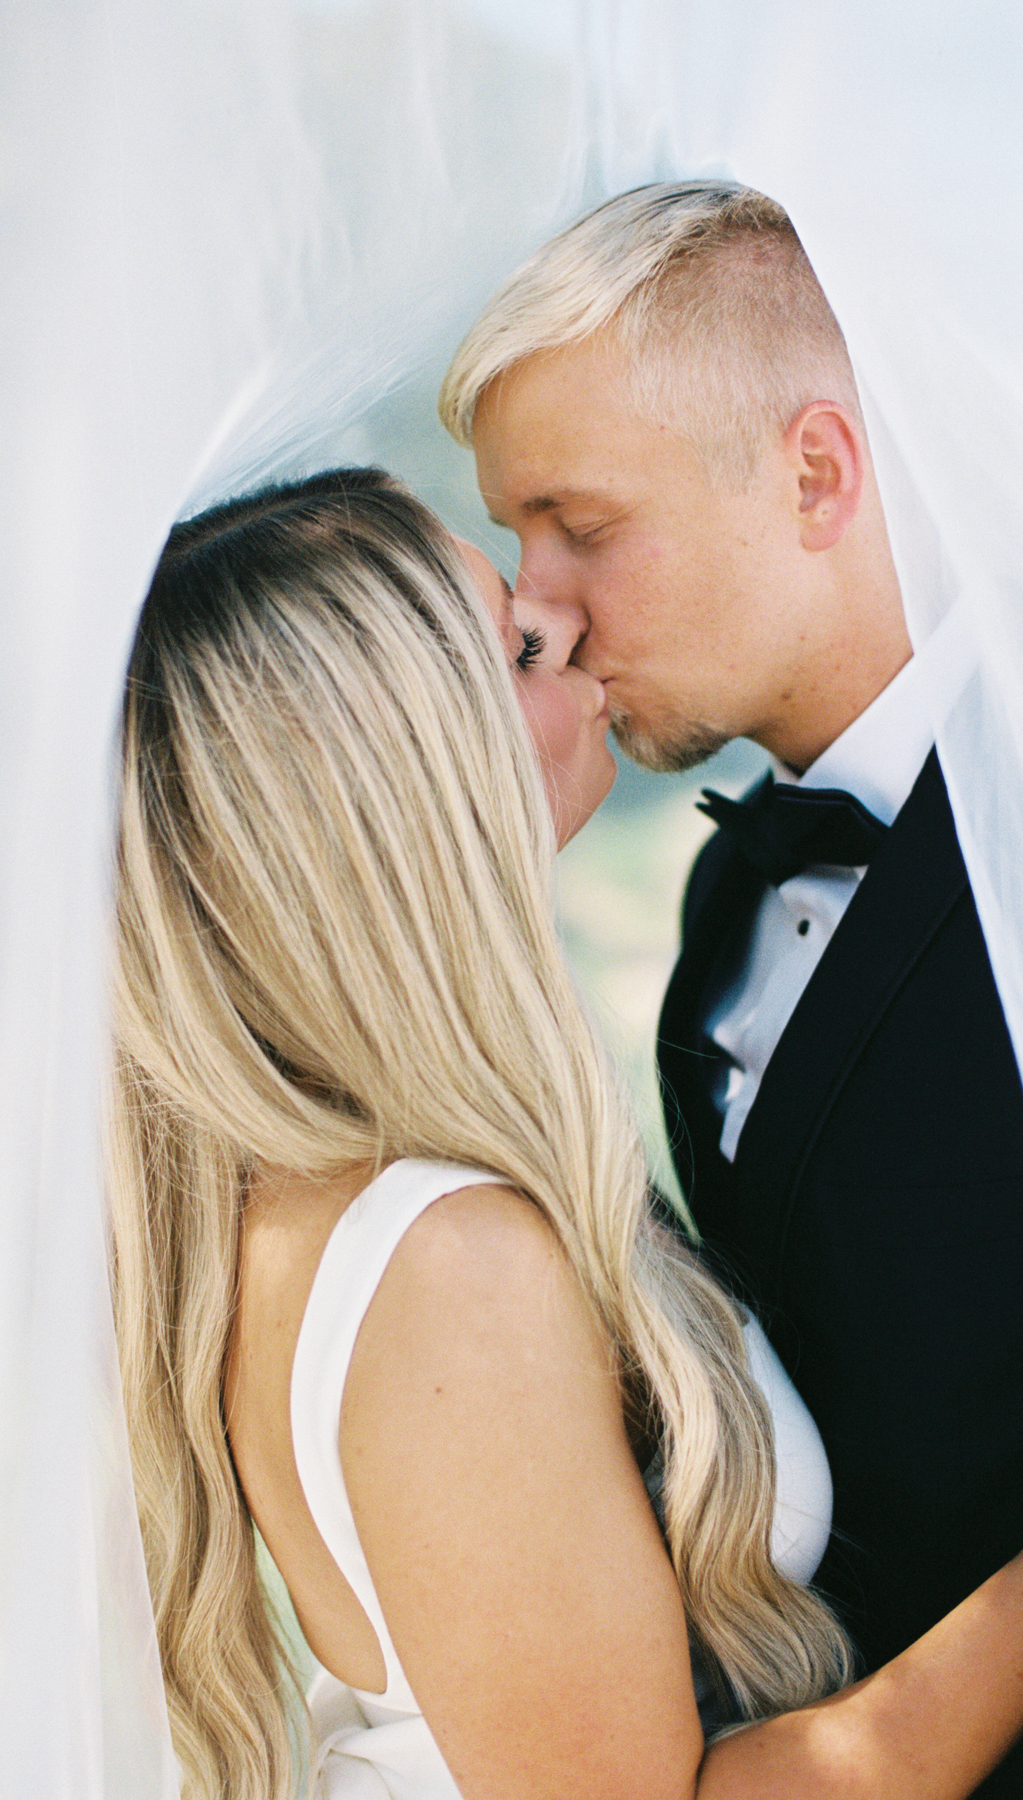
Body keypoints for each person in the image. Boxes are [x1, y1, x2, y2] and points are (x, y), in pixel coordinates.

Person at [109, 465, 1023, 1800]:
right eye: (519, 648)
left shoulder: (349, 1180)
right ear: (414, 773)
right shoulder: (445, 1268)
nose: (571, 626)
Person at [439, 180, 1023, 1797]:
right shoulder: (721, 909)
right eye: (515, 540)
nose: (536, 605)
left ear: (816, 473)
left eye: (582, 525)